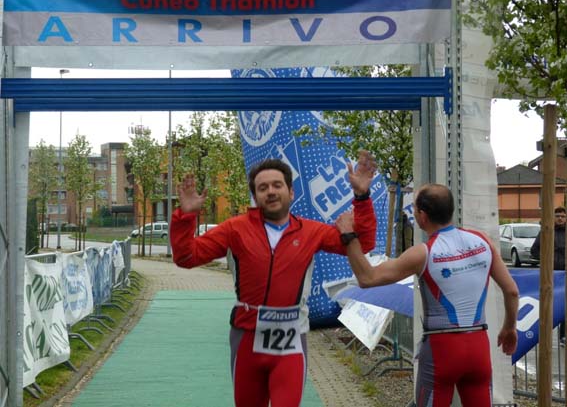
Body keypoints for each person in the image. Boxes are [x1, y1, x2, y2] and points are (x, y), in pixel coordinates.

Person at [170, 151, 377, 407]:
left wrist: (362, 197)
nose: (270, 192)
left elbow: (363, 243)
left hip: (291, 340)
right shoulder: (235, 228)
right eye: (263, 188)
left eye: (277, 185)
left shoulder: (311, 231)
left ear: (291, 192)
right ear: (255, 196)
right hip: (247, 338)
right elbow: (186, 257)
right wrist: (185, 217)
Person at [335, 183, 519, 407]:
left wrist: (349, 235)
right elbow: (511, 291)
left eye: (414, 208)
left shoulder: (422, 253)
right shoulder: (482, 241)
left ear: (422, 216)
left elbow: (367, 277)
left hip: (442, 349)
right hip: (478, 344)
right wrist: (509, 327)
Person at [531, 206, 566, 343]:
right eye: (557, 216)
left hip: (565, 274)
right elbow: (534, 250)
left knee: (564, 305)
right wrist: (546, 259)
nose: (560, 218)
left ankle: (563, 335)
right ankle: (543, 335)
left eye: (563, 216)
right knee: (548, 305)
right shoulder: (546, 231)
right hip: (550, 275)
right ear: (553, 218)